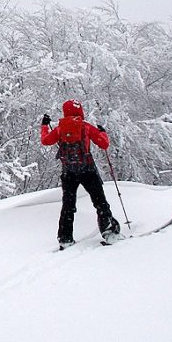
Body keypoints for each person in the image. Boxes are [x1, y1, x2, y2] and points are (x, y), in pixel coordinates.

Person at [41, 99, 121, 249]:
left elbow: (45, 141)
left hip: (68, 173)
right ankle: (109, 231)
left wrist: (44, 125)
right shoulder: (86, 126)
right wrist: (103, 132)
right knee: (99, 201)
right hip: (87, 170)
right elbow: (104, 144)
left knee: (68, 205)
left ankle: (65, 238)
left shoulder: (60, 129)